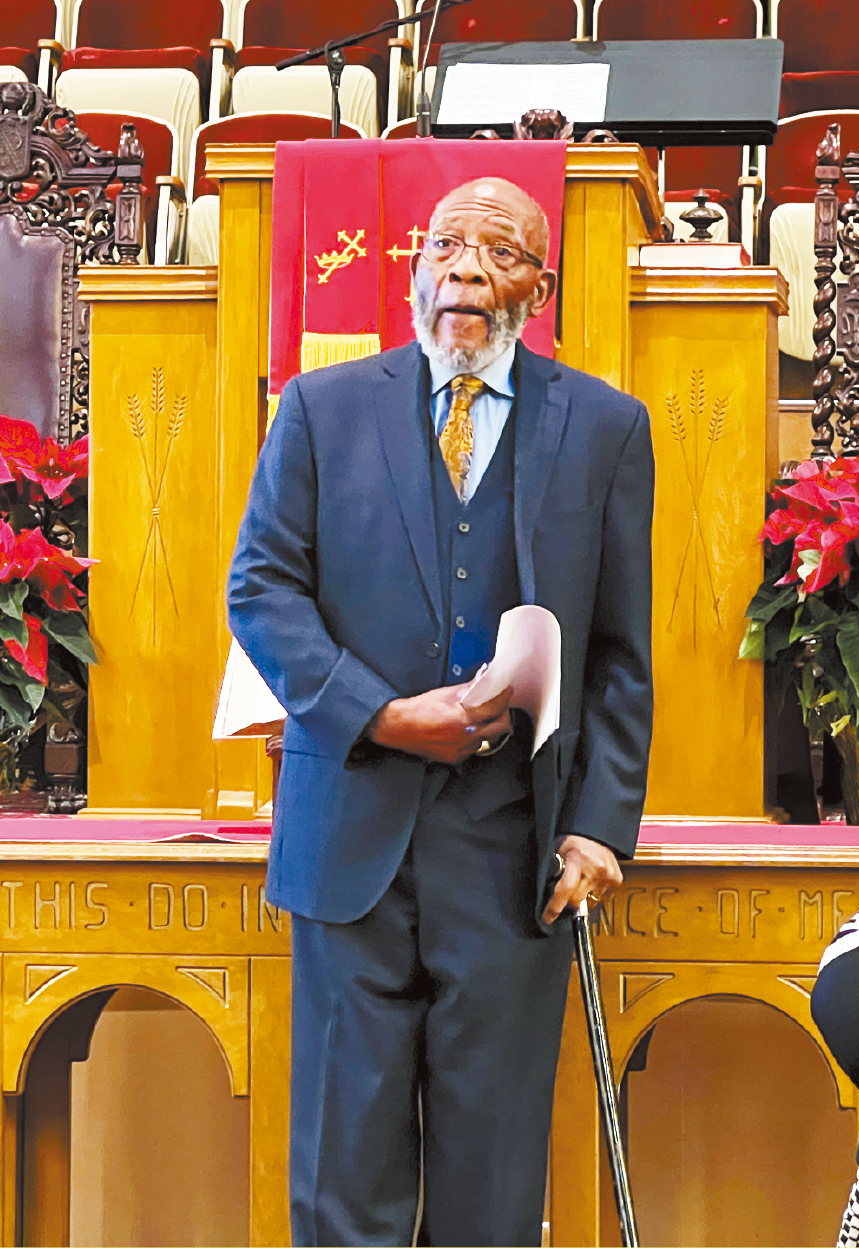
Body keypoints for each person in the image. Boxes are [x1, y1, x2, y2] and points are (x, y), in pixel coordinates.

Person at [227, 175, 654, 1248]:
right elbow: (262, 590)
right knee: (343, 1178)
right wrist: (376, 714)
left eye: (498, 252)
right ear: (416, 270)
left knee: (491, 1189)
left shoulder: (605, 428)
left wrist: (600, 825)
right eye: (445, 246)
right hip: (349, 839)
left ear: (538, 290)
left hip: (514, 852)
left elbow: (618, 649)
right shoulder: (321, 409)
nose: (465, 268)